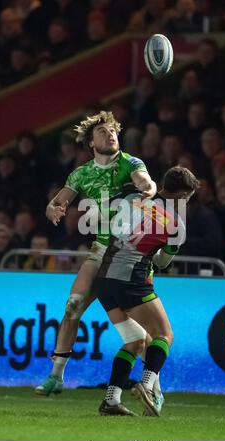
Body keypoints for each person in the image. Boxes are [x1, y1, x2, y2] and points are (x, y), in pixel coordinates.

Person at [35, 110, 157, 396]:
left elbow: (145, 181)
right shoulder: (82, 173)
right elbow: (57, 201)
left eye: (113, 131)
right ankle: (56, 376)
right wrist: (53, 208)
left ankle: (153, 386)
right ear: (90, 143)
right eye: (102, 132)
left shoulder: (131, 163)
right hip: (101, 248)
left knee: (142, 326)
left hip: (130, 253)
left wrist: (147, 190)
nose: (110, 134)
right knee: (73, 306)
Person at [96, 166, 200, 416]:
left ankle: (111, 400)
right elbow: (163, 263)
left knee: (135, 340)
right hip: (131, 279)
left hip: (103, 278)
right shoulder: (176, 225)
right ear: (184, 195)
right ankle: (146, 384)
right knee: (164, 334)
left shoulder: (133, 198)